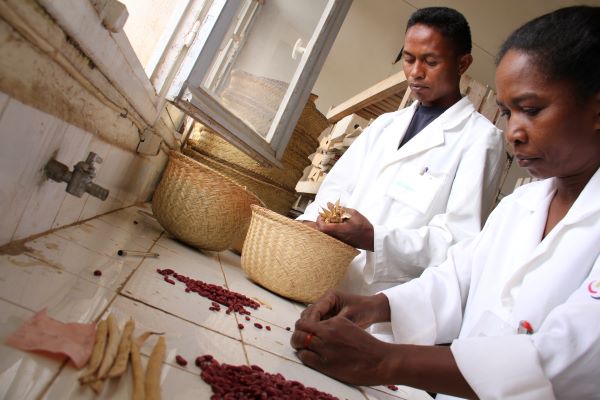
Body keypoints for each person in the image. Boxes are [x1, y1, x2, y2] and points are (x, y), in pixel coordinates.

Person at [291, 6, 600, 400]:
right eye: (507, 113)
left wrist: (385, 361)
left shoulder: (478, 141)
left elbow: (561, 359)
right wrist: (373, 306)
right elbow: (455, 280)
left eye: (532, 110)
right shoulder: (523, 204)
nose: (513, 133)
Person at [298, 7, 504, 296]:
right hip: (322, 278)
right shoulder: (385, 125)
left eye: (431, 62)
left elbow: (457, 240)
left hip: (387, 302)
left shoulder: (480, 140)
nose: (416, 72)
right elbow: (335, 190)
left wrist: (374, 238)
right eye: (409, 59)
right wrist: (311, 224)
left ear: (462, 63)